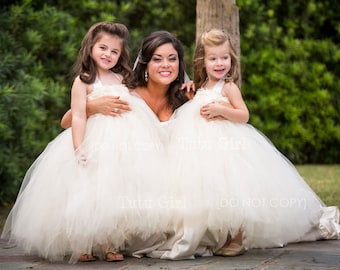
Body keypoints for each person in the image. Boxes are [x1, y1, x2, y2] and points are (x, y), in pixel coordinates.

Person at [1, 22, 175, 264]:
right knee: (88, 193)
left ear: (121, 55)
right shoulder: (83, 81)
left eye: (115, 51)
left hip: (124, 143)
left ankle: (110, 243)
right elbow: (77, 116)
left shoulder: (122, 78)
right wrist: (79, 146)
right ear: (90, 48)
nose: (108, 55)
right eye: (103, 48)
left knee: (115, 192)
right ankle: (85, 244)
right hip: (94, 141)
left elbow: (136, 107)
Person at [165, 28, 340, 258]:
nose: (220, 63)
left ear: (232, 59)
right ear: (202, 61)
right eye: (213, 58)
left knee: (236, 190)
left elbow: (243, 115)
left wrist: (222, 109)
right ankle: (222, 234)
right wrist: (193, 97)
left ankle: (238, 236)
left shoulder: (228, 87)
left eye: (224, 58)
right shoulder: (203, 86)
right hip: (203, 147)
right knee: (216, 191)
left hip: (228, 144)